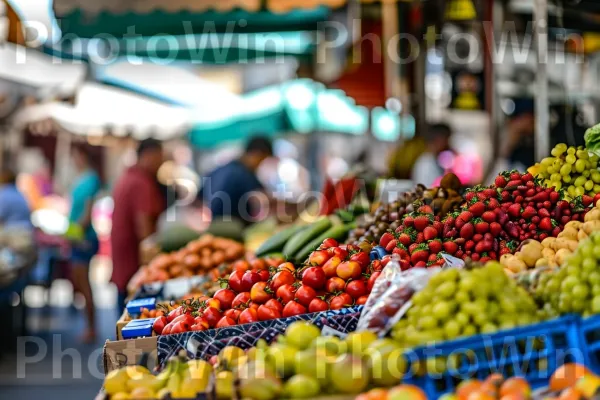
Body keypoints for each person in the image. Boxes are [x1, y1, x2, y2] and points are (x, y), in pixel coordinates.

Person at [111, 139, 165, 311]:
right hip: (133, 266)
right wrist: (156, 262)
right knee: (130, 319)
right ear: (148, 155)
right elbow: (145, 231)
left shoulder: (127, 177)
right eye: (159, 157)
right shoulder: (141, 183)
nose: (161, 163)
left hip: (123, 263)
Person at [67, 145, 102, 343]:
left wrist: (72, 232)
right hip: (77, 238)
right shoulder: (82, 179)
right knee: (80, 283)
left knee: (84, 284)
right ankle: (89, 326)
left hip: (83, 240)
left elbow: (87, 215)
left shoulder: (90, 179)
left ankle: (91, 328)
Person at [200, 137, 272, 224]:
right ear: (257, 154)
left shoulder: (218, 170)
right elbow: (262, 199)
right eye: (262, 160)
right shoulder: (243, 173)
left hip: (214, 223)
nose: (260, 165)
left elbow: (199, 197)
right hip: (232, 225)